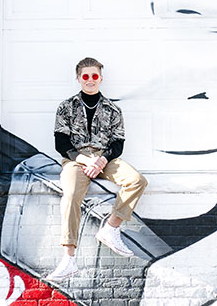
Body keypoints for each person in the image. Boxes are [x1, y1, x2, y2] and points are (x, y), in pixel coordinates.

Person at [47, 57, 148, 281]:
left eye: (94, 76)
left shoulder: (113, 109)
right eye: (85, 76)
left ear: (100, 78)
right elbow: (60, 143)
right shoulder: (66, 107)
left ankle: (111, 228)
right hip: (76, 160)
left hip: (105, 158)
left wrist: (102, 160)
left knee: (137, 180)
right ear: (79, 78)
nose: (90, 80)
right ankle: (69, 258)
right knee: (71, 194)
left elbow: (118, 143)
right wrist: (83, 160)